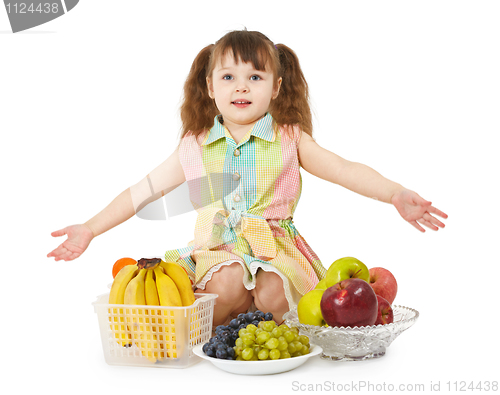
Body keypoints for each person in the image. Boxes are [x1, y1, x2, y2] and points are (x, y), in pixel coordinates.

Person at [47, 30, 447, 326]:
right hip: (216, 249)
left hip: (274, 247)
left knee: (273, 290)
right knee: (228, 282)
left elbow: (344, 170)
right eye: (228, 77)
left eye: (255, 77)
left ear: (275, 88)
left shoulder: (290, 138)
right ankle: (218, 333)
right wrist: (89, 228)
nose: (241, 86)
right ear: (209, 87)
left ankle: (267, 334)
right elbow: (140, 193)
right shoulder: (195, 144)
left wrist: (394, 192)